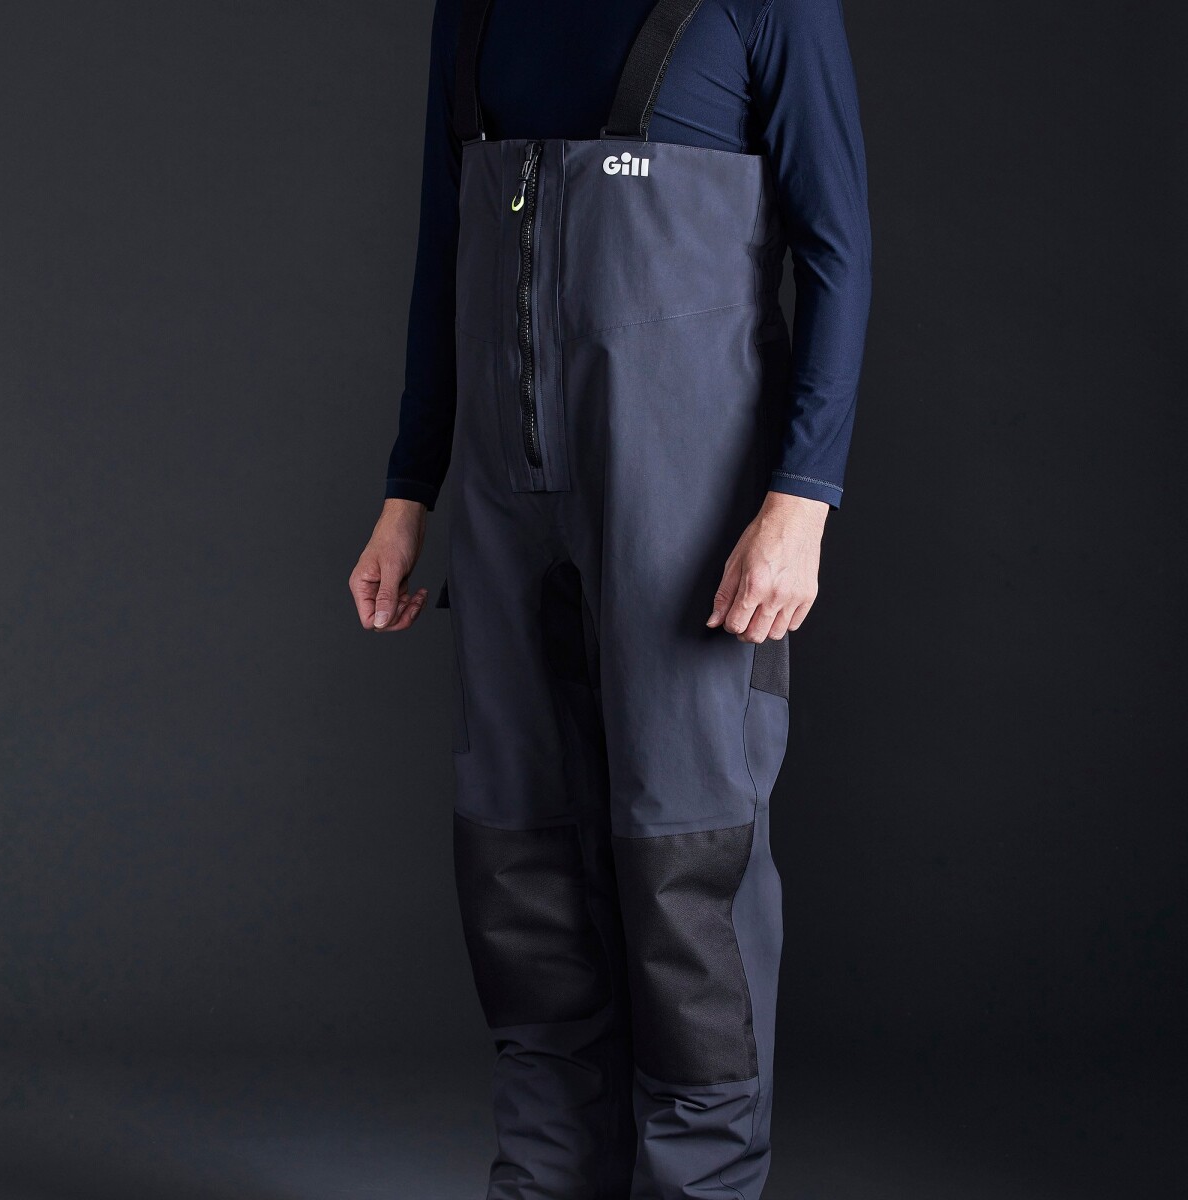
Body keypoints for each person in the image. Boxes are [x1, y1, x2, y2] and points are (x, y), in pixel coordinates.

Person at [349, 0, 871, 1194]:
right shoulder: (475, 8)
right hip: (505, 498)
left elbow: (837, 247)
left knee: (686, 874)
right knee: (519, 869)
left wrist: (803, 496)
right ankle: (545, 1182)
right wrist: (409, 486)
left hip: (690, 511)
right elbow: (446, 243)